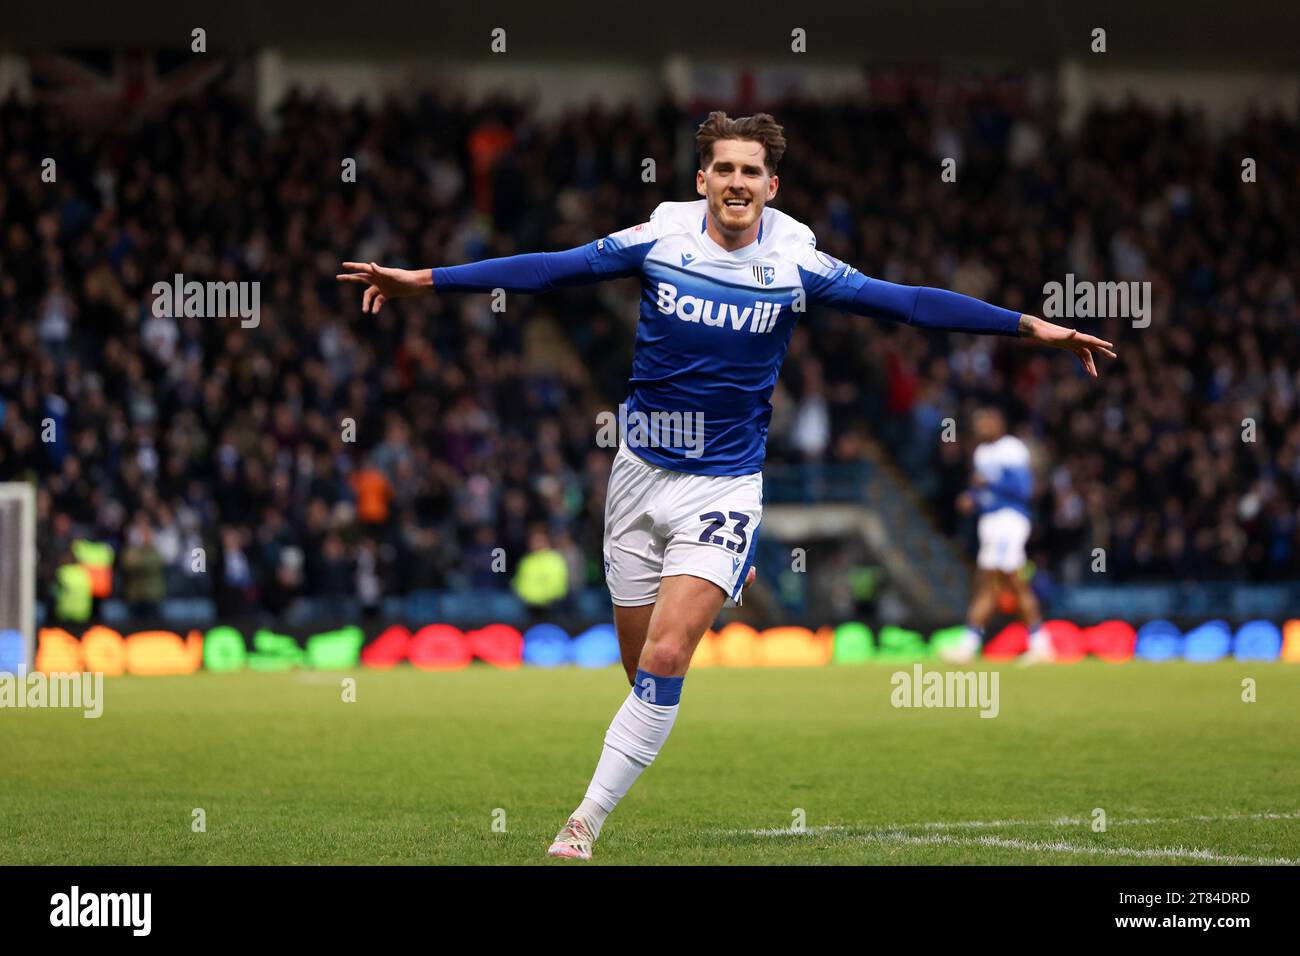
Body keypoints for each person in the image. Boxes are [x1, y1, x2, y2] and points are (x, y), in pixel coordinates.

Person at [337, 111, 1116, 860]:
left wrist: (1027, 325)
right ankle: (680, 652)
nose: (737, 183)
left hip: (724, 487)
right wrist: (428, 281)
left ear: (772, 186)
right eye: (725, 170)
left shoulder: (797, 262)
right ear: (703, 178)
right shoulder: (660, 238)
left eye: (752, 172)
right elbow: (553, 268)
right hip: (639, 479)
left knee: (670, 657)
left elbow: (908, 303)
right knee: (640, 671)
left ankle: (582, 824)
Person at [951, 408, 1052, 664]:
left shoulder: (1012, 448)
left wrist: (989, 484)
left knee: (1009, 580)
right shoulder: (981, 452)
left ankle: (1039, 644)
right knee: (989, 582)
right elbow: (981, 489)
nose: (983, 427)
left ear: (1000, 423)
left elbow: (1024, 488)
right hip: (990, 522)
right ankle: (972, 644)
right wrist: (971, 498)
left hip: (1009, 520)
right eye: (979, 423)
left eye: (988, 421)